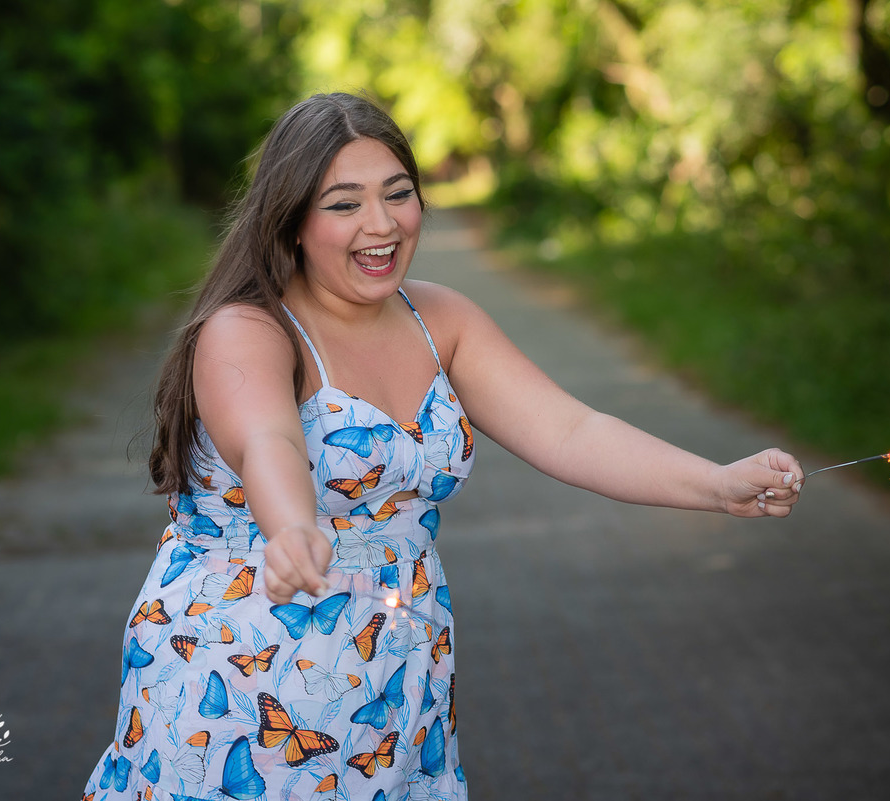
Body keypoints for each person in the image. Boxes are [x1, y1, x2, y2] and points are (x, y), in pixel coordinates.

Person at [82, 92, 803, 801]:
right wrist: (291, 525)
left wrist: (715, 482)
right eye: (344, 204)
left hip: (396, 676)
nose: (382, 223)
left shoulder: (440, 319)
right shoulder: (247, 330)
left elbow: (569, 429)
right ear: (292, 221)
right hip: (243, 689)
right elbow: (267, 438)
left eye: (399, 193)